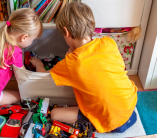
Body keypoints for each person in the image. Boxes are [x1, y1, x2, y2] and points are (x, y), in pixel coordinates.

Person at [30, 2, 137, 133]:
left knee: (55, 115)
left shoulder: (71, 62)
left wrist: (38, 63)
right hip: (130, 106)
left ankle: (95, 123)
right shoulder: (108, 42)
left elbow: (43, 74)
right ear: (91, 25)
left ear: (67, 33)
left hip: (112, 121)